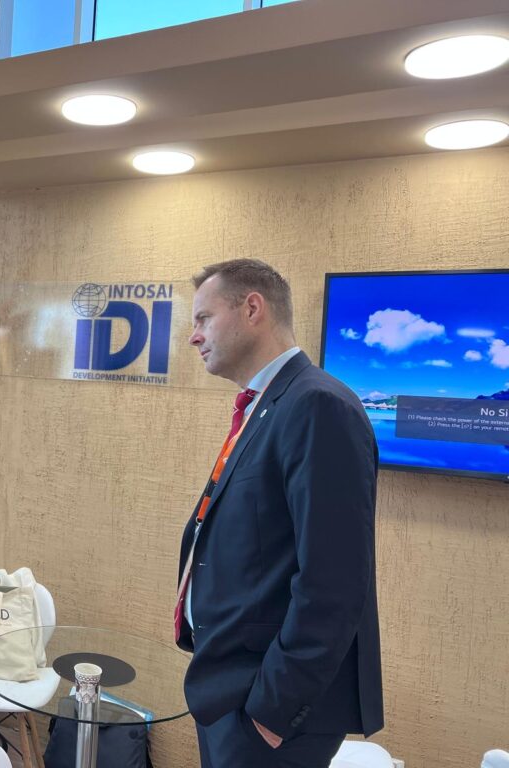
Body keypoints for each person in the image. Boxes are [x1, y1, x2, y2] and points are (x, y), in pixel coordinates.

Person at [175, 259, 383, 768]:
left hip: (271, 707)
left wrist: (272, 710)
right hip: (229, 685)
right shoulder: (267, 404)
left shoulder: (318, 406)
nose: (193, 336)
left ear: (252, 309)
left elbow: (334, 582)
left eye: (203, 319)